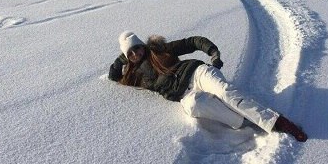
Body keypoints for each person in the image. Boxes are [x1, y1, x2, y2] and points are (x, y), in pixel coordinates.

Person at [108, 31, 307, 142]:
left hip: (196, 73)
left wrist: (213, 53)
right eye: (130, 53)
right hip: (184, 95)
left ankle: (278, 122)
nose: (135, 54)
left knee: (226, 92)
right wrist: (121, 57)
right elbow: (113, 76)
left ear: (142, 45)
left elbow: (192, 42)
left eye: (137, 48)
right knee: (195, 106)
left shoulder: (159, 49)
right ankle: (246, 122)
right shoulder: (137, 75)